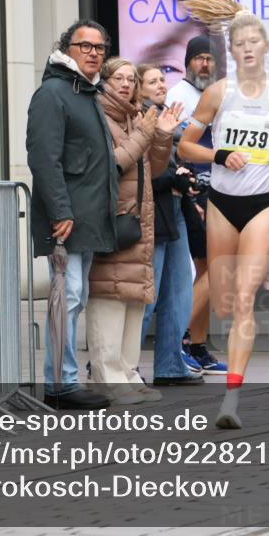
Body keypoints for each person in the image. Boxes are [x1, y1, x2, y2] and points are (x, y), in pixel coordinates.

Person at [178, 0, 269, 429]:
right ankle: (188, 343)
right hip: (222, 202)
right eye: (239, 43)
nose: (247, 49)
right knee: (222, 300)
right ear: (231, 49)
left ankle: (231, 402)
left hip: (263, 204)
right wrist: (219, 155)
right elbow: (185, 146)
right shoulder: (219, 93)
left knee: (243, 298)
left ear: (266, 46)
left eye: (254, 42)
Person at [26, 20, 117, 410]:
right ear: (68, 48)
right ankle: (60, 383)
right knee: (69, 296)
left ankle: (64, 378)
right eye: (85, 45)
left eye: (100, 47)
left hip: (86, 217)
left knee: (74, 298)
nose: (94, 52)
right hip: (66, 219)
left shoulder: (85, 91)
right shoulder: (53, 93)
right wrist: (60, 211)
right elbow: (43, 158)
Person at [85, 57, 183, 405]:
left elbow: (152, 171)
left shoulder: (134, 117)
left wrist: (163, 136)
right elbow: (115, 163)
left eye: (130, 79)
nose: (126, 84)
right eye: (119, 78)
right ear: (105, 82)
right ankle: (106, 377)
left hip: (138, 221)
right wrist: (146, 132)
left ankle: (127, 372)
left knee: (132, 301)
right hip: (113, 222)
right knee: (109, 299)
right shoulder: (98, 116)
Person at [136, 64, 205, 385]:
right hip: (153, 212)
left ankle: (169, 365)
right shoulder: (139, 118)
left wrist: (185, 179)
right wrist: (173, 178)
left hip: (175, 210)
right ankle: (122, 366)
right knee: (147, 297)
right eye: (152, 81)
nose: (161, 84)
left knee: (179, 294)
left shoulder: (169, 118)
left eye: (162, 79)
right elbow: (142, 168)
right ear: (139, 89)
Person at [168, 35, 228, 375]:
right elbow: (177, 145)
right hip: (194, 190)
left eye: (209, 58)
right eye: (199, 58)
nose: (204, 64)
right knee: (212, 270)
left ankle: (197, 343)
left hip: (212, 188)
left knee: (208, 270)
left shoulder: (211, 94)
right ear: (187, 61)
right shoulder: (179, 96)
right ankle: (177, 340)